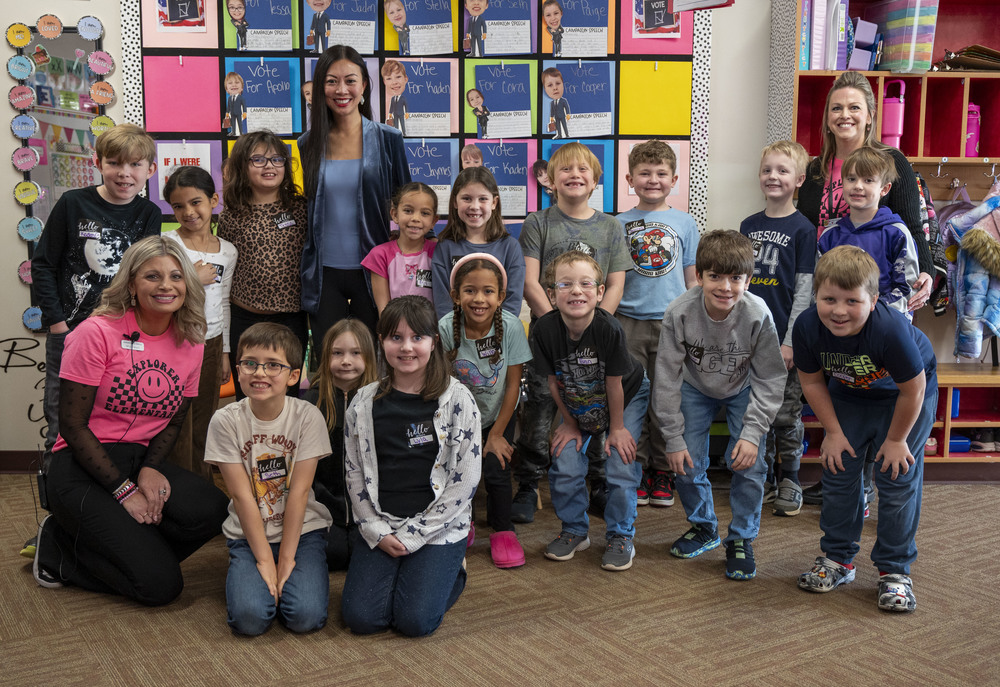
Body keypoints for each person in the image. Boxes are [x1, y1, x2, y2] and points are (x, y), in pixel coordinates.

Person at [31, 236, 229, 604]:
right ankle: (58, 548)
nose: (166, 285)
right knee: (160, 587)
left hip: (137, 458)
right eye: (152, 276)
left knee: (214, 510)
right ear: (132, 284)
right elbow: (72, 426)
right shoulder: (96, 333)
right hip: (80, 466)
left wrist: (151, 468)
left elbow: (175, 419)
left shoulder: (191, 340)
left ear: (188, 283)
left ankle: (121, 545)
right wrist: (124, 491)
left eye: (176, 276)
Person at [796, 73, 933, 508]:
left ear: (870, 116)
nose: (845, 115)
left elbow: (912, 225)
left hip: (878, 301)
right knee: (842, 385)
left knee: (882, 385)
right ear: (827, 117)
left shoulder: (891, 161)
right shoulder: (816, 168)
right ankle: (846, 471)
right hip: (832, 295)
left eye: (854, 107)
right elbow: (806, 229)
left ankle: (878, 474)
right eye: (837, 107)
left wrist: (926, 273)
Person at [794, 246, 937, 613]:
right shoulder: (808, 327)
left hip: (904, 397)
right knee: (839, 470)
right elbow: (811, 383)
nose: (839, 311)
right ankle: (838, 559)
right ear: (816, 297)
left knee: (896, 477)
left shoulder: (889, 329)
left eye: (851, 301)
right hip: (850, 393)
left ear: (873, 300)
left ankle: (895, 571)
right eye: (829, 299)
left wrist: (896, 440)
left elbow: (913, 389)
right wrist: (833, 432)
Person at [341, 296, 481, 637]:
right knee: (362, 619)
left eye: (417, 337)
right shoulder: (363, 402)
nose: (406, 347)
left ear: (434, 342)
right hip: (382, 524)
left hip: (437, 527)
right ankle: (405, 571)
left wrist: (413, 535)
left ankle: (452, 568)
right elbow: (353, 473)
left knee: (414, 622)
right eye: (395, 337)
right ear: (382, 341)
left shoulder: (458, 399)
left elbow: (465, 483)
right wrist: (377, 530)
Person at [652, 230, 785, 581]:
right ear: (699, 276)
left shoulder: (758, 314)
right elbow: (665, 377)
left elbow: (771, 378)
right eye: (715, 276)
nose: (725, 287)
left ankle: (741, 538)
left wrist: (753, 433)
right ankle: (704, 527)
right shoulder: (678, 312)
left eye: (735, 278)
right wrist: (674, 437)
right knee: (684, 461)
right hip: (694, 387)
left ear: (748, 279)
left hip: (743, 387)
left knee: (749, 464)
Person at [514, 141, 632, 523]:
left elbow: (614, 284)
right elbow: (531, 282)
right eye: (565, 169)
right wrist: (557, 328)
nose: (575, 175)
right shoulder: (538, 222)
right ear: (550, 180)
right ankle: (529, 483)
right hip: (548, 336)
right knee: (540, 407)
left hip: (594, 339)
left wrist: (594, 327)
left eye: (583, 170)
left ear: (596, 179)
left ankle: (596, 481)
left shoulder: (610, 226)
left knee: (592, 403)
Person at [32, 123, 160, 465]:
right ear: (98, 162)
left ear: (150, 169)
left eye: (135, 165)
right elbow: (42, 265)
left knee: (112, 421)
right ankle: (56, 507)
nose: (124, 173)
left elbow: (144, 277)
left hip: (121, 336)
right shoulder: (73, 203)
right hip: (70, 333)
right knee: (61, 422)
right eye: (115, 163)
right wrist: (58, 324)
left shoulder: (149, 214)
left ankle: (106, 500)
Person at [204, 323, 332, 636]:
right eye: (250, 363)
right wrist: (264, 561)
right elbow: (242, 496)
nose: (259, 373)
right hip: (249, 534)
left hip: (303, 532)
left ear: (292, 375)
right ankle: (254, 573)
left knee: (304, 617)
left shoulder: (307, 416)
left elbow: (300, 492)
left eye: (273, 365)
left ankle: (290, 572)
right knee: (249, 620)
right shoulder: (225, 420)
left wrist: (286, 559)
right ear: (238, 369)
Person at [533, 251, 647, 571]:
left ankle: (621, 534)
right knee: (565, 460)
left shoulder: (608, 328)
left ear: (600, 293)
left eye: (586, 284)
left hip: (625, 397)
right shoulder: (543, 330)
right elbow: (553, 382)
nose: (576, 291)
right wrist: (569, 423)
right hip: (576, 400)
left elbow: (614, 385)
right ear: (552, 295)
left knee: (620, 462)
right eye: (565, 284)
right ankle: (574, 529)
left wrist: (618, 429)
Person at [299, 45, 411, 342]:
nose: (341, 89)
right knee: (329, 360)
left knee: (375, 359)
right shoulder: (306, 144)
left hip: (376, 269)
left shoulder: (389, 139)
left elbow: (408, 203)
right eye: (331, 81)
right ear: (320, 86)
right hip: (323, 273)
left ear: (364, 86)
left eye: (350, 80)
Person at [615, 139, 699, 510]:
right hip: (627, 322)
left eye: (661, 173)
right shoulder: (617, 223)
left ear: (674, 179)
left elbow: (692, 279)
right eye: (644, 174)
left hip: (671, 323)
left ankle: (662, 470)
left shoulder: (685, 222)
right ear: (630, 179)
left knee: (667, 399)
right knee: (632, 398)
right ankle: (634, 467)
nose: (653, 180)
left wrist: (695, 322)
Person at [439, 254, 532, 569]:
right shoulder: (445, 328)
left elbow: (512, 386)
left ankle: (503, 530)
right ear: (455, 295)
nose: (479, 299)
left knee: (496, 468)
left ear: (501, 296)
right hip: (457, 418)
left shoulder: (511, 327)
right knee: (456, 471)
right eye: (470, 290)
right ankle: (461, 523)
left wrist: (495, 434)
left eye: (488, 291)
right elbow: (441, 386)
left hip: (497, 417)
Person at [738, 141, 816, 516]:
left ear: (799, 179)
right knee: (757, 411)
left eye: (783, 171)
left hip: (785, 341)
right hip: (750, 339)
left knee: (786, 414)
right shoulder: (748, 226)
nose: (773, 176)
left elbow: (804, 291)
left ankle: (791, 479)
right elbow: (736, 288)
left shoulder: (803, 229)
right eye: (767, 169)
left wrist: (790, 343)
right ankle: (763, 476)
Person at [218, 131, 308, 401]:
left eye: (277, 159)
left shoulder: (302, 208)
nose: (269, 166)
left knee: (287, 395)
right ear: (242, 167)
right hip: (245, 317)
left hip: (291, 319)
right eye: (258, 159)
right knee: (248, 395)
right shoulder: (231, 215)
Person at [164, 166, 238, 480]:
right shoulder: (166, 244)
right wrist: (191, 276)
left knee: (206, 417)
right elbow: (157, 290)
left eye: (196, 202)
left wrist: (224, 352)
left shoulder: (228, 251)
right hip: (175, 340)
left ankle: (201, 485)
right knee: (176, 419)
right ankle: (177, 485)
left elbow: (223, 301)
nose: (188, 212)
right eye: (178, 206)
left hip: (212, 341)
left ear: (213, 200)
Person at [305, 320, 378, 570]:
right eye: (338, 353)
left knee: (365, 554)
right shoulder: (311, 403)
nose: (346, 360)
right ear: (326, 357)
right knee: (334, 555)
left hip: (367, 512)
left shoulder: (380, 401)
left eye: (355, 353)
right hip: (325, 511)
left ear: (368, 357)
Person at [817, 147, 919, 317]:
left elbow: (907, 289)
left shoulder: (897, 233)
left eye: (868, 180)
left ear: (884, 189)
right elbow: (819, 285)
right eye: (851, 178)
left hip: (884, 323)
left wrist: (869, 313)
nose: (858, 186)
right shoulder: (830, 235)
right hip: (838, 322)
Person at [430, 167, 525, 319]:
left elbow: (512, 302)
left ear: (494, 202)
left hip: (499, 337)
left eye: (483, 199)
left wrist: (492, 337)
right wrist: (456, 336)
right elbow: (443, 303)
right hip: (454, 337)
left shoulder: (510, 248)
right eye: (466, 198)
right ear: (455, 201)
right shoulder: (445, 247)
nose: (474, 206)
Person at [361, 182, 439, 313]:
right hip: (395, 330)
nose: (416, 218)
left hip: (431, 332)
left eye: (425, 213)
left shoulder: (439, 252)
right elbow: (384, 312)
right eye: (408, 211)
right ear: (395, 215)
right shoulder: (380, 255)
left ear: (433, 221)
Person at [381, 60, 409, 137]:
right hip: (394, 115)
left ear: (405, 79)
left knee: (402, 125)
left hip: (402, 114)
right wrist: (390, 113)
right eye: (389, 78)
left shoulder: (404, 98)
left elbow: (405, 106)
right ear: (384, 82)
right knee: (396, 125)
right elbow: (391, 106)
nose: (394, 82)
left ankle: (404, 133)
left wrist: (406, 112)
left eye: (398, 77)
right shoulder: (390, 100)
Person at [542, 68, 570, 139]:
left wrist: (568, 114)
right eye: (550, 85)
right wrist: (551, 117)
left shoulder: (563, 100)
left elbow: (566, 107)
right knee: (558, 126)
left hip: (562, 116)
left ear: (563, 84)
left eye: (558, 83)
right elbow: (552, 110)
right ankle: (559, 135)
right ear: (544, 89)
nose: (555, 88)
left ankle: (566, 134)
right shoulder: (552, 103)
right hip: (556, 117)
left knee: (564, 125)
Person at [223, 72, 248, 136]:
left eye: (237, 82)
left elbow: (244, 105)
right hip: (232, 113)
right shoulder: (229, 98)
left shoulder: (241, 98)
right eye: (230, 83)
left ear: (242, 87)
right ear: (227, 89)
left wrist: (245, 112)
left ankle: (240, 132)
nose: (234, 85)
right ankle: (233, 132)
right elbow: (228, 106)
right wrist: (227, 113)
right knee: (233, 123)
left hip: (239, 113)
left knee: (240, 123)